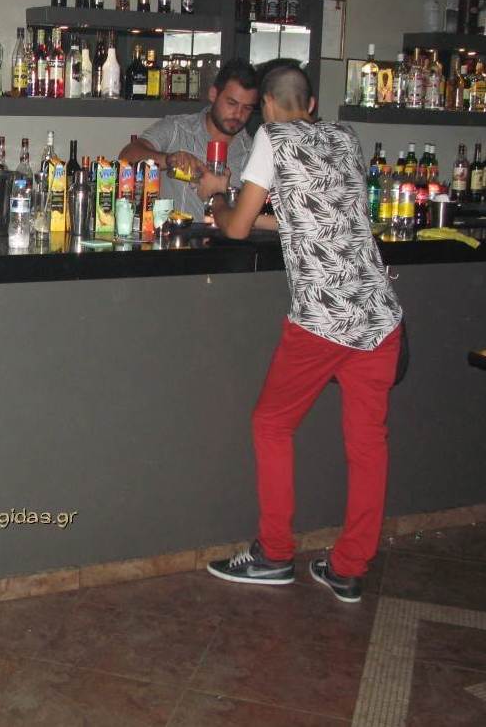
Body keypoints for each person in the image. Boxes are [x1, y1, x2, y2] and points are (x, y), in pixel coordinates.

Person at [199, 64, 403, 604]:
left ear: (266, 106)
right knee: (368, 446)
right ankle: (348, 567)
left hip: (324, 317)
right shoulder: (344, 135)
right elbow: (313, 213)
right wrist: (246, 209)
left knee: (271, 425)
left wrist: (216, 198)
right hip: (379, 314)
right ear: (310, 105)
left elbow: (236, 227)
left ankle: (274, 554)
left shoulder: (273, 137)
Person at [119, 59, 271, 224]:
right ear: (213, 94)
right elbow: (127, 156)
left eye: (247, 108)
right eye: (232, 103)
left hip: (224, 239)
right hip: (172, 237)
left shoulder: (253, 151)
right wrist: (169, 159)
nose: (238, 114)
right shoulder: (177, 128)